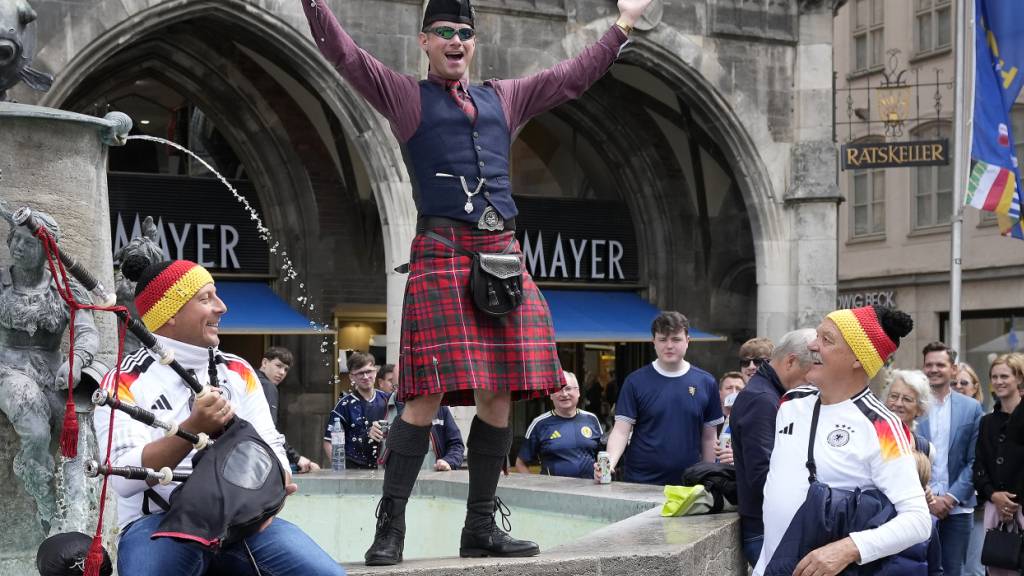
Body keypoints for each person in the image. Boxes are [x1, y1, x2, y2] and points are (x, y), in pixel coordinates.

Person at [299, 0, 654, 565]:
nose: (456, 41)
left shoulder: (503, 96)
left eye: (465, 32)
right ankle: (390, 530)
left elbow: (571, 77)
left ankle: (481, 526)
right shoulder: (404, 95)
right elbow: (345, 55)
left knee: (501, 391)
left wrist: (623, 26)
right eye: (445, 33)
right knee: (424, 395)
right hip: (442, 250)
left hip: (502, 253)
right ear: (425, 41)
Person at [93, 259, 342, 575]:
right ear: (169, 313)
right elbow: (120, 478)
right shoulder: (122, 381)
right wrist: (192, 428)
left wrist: (268, 495)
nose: (222, 307)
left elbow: (274, 454)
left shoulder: (238, 371)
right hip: (157, 523)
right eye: (205, 298)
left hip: (241, 523)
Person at [754, 306, 931, 576]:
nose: (812, 345)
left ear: (858, 359)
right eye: (817, 336)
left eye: (826, 340)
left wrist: (847, 549)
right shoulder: (791, 402)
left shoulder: (883, 426)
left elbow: (918, 520)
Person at [0, 210, 100, 532]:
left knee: (77, 429)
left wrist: (77, 361)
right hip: (7, 367)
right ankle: (47, 506)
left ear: (47, 249)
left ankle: (77, 514)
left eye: (28, 242)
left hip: (52, 368)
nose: (17, 246)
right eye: (14, 238)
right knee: (35, 423)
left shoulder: (64, 289)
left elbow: (86, 331)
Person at [596, 311, 723, 486]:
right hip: (641, 481)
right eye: (663, 339)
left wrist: (708, 478)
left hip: (689, 482)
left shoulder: (706, 382)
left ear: (688, 340)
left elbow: (709, 438)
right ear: (653, 342)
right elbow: (621, 431)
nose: (669, 345)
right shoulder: (635, 381)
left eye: (676, 339)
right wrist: (609, 464)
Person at [729, 328, 816, 568]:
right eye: (810, 371)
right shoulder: (762, 399)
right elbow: (762, 475)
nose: (813, 379)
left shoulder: (768, 394)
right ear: (791, 361)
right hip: (766, 530)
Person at [918, 341, 984, 576]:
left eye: (940, 364)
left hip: (957, 508)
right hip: (917, 504)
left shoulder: (971, 408)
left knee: (952, 571)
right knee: (916, 569)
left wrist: (950, 498)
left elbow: (976, 459)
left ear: (953, 369)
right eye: (929, 364)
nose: (934, 369)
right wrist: (927, 497)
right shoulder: (913, 403)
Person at [972, 354, 1024, 576]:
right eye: (994, 376)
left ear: (1019, 379)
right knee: (998, 568)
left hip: (1021, 507)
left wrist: (1011, 503)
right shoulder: (987, 422)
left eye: (1005, 376)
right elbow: (979, 466)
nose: (999, 381)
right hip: (995, 509)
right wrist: (994, 496)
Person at [515, 371, 603, 479]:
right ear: (551, 395)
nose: (564, 394)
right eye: (558, 389)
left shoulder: (591, 419)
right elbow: (520, 463)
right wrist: (535, 489)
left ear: (578, 392)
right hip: (553, 493)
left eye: (568, 388)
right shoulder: (540, 424)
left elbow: (604, 457)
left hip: (589, 491)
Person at [258, 346, 320, 473]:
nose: (282, 373)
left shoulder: (250, 379)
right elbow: (268, 431)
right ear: (264, 363)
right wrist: (296, 458)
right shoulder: (267, 386)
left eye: (286, 369)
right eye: (278, 366)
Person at [323, 352, 389, 469]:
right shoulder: (344, 404)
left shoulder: (387, 399)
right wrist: (339, 471)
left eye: (368, 371)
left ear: (375, 371)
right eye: (360, 373)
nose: (365, 376)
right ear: (351, 377)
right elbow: (329, 441)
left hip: (384, 466)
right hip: (353, 467)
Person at [883, 369, 934, 458]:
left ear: (920, 409)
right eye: (894, 396)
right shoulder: (870, 437)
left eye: (907, 399)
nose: (898, 403)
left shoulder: (926, 449)